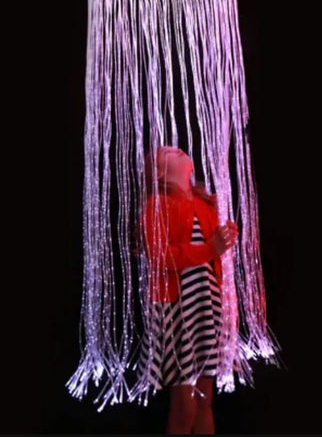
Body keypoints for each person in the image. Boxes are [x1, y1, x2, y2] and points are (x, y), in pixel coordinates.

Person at [135, 145, 239, 434]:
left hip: (207, 305)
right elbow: (160, 256)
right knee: (185, 403)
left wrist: (224, 238)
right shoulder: (157, 205)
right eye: (166, 151)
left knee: (205, 400)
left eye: (176, 148)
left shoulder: (205, 205)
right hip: (178, 308)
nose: (174, 149)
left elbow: (214, 255)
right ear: (157, 172)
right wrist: (210, 247)